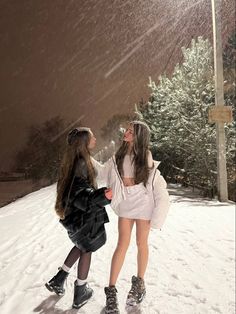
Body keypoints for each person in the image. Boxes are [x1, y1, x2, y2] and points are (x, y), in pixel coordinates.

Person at [92, 121, 170, 314]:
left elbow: (150, 181)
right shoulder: (118, 154)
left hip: (144, 201)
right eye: (126, 130)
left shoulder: (146, 155)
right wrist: (85, 155)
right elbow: (102, 171)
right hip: (126, 202)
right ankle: (111, 290)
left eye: (130, 131)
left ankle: (139, 284)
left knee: (141, 243)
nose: (125, 133)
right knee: (122, 244)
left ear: (138, 135)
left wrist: (158, 210)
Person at [45, 127, 112, 309]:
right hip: (83, 217)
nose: (95, 138)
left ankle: (59, 280)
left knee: (80, 245)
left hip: (76, 216)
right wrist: (103, 196)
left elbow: (79, 191)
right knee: (86, 249)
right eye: (92, 136)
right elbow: (82, 195)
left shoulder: (76, 160)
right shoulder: (81, 163)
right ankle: (80, 292)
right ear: (84, 142)